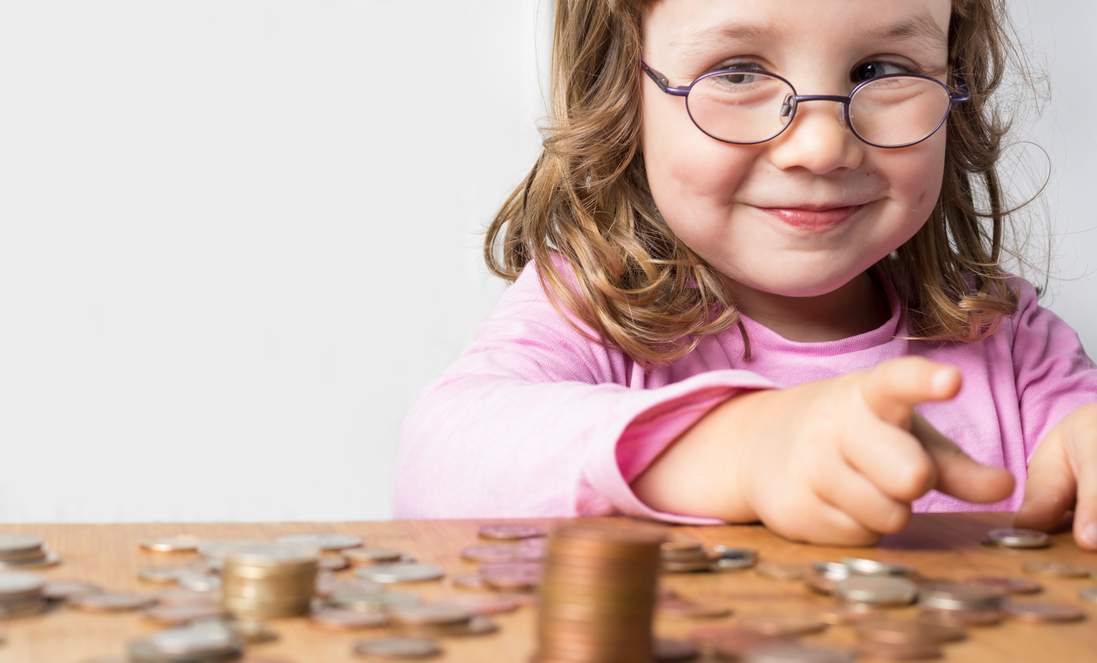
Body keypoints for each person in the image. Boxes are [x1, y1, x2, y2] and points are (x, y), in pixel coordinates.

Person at [394, 0, 1097, 549]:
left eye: (881, 70)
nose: (820, 147)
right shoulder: (588, 314)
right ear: (619, 90)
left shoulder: (1011, 342)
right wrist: (740, 446)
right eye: (736, 72)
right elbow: (437, 460)